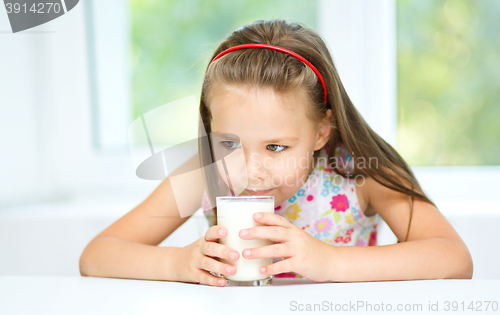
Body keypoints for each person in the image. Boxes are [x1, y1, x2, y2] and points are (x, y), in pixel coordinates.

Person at [79, 19, 473, 286]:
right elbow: (97, 256)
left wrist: (329, 261)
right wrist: (176, 263)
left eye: (275, 147)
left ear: (321, 131)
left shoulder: (358, 174)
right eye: (229, 143)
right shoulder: (204, 171)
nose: (250, 170)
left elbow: (454, 260)